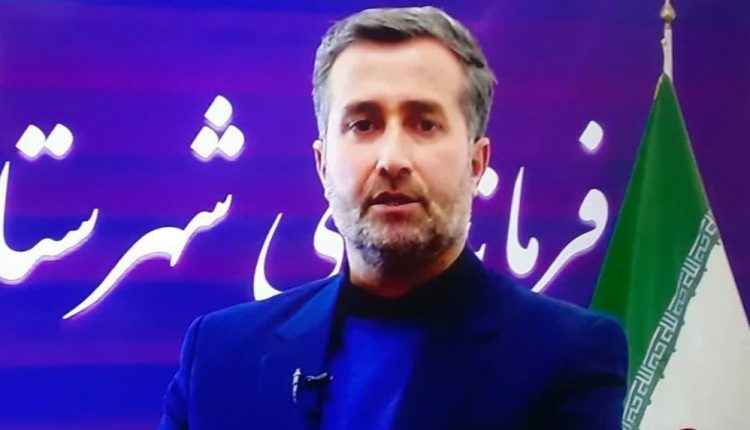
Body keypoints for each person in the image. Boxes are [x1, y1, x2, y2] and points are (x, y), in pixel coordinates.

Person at [158, 6, 627, 430]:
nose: (392, 159)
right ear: (323, 165)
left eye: (424, 124)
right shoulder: (220, 355)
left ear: (476, 163)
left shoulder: (564, 356)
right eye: (363, 124)